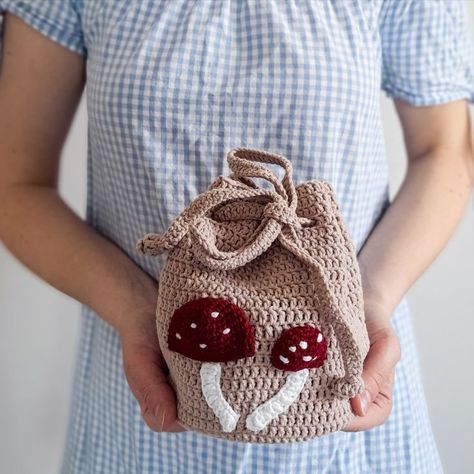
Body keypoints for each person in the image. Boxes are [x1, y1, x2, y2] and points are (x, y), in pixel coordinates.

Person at [0, 1, 473, 472]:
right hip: (135, 411)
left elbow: (445, 150)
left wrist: (365, 300)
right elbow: (16, 184)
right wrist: (135, 310)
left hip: (346, 397)